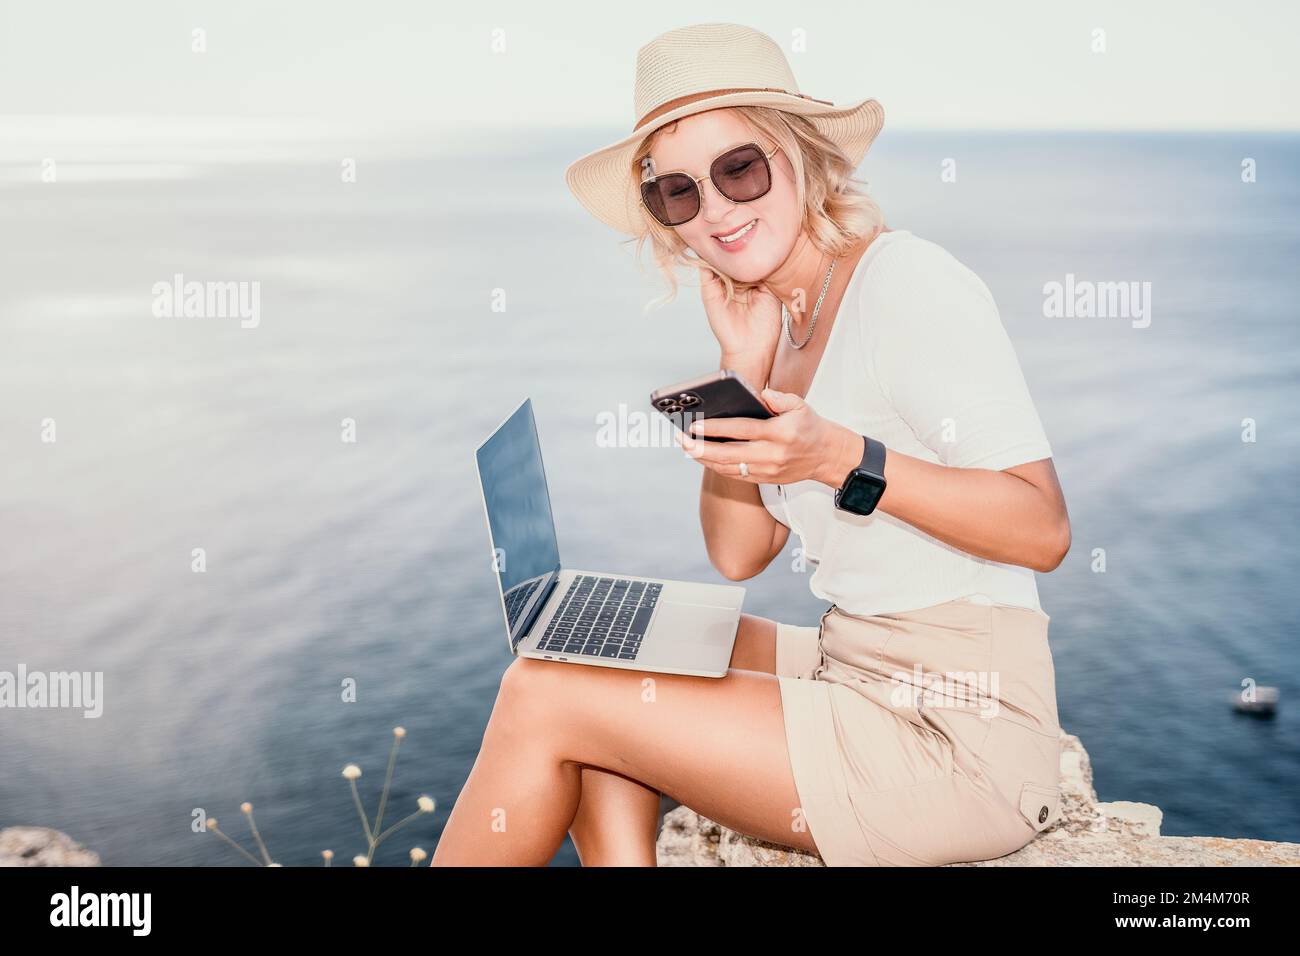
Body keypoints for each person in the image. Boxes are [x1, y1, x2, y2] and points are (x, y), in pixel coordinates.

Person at [431, 22, 1070, 867]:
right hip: (856, 660)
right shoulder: (786, 322)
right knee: (582, 647)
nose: (719, 210)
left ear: (802, 157)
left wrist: (839, 455)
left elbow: (1042, 529)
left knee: (543, 692)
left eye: (740, 168)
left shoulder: (908, 286)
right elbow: (738, 552)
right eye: (681, 193)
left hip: (958, 730)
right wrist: (741, 366)